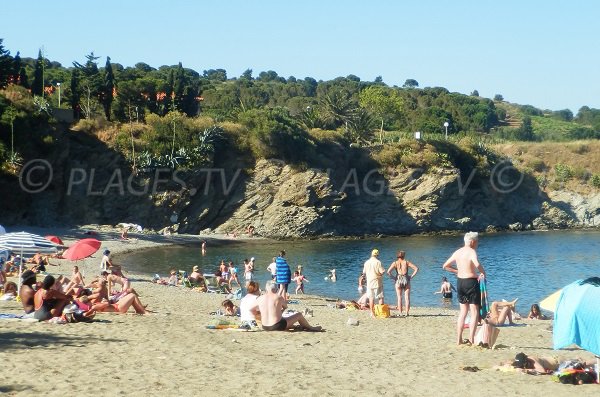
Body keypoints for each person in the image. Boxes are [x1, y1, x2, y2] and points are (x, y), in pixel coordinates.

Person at [442, 231, 487, 345]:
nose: (477, 244)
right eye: (477, 242)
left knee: (463, 312)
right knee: (474, 311)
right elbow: (476, 263)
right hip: (471, 282)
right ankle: (471, 339)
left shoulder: (458, 252)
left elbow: (445, 266)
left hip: (460, 282)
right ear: (472, 242)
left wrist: (457, 271)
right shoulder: (472, 251)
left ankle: (459, 339)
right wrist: (482, 272)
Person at [249, 280, 322, 332]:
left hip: (264, 326)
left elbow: (251, 309)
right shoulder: (278, 297)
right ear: (275, 289)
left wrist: (258, 316)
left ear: (266, 289)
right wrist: (280, 312)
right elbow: (285, 307)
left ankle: (301, 326)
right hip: (277, 326)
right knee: (299, 315)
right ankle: (311, 328)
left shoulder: (260, 298)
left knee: (283, 319)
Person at [387, 250, 419, 317]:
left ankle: (400, 313)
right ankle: (407, 313)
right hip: (406, 279)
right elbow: (416, 268)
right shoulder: (406, 262)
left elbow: (388, 272)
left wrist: (394, 278)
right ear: (404, 256)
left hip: (398, 279)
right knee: (407, 297)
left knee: (399, 297)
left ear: (398, 256)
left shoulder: (395, 263)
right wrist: (411, 277)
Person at [363, 249, 385, 318]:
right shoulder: (378, 262)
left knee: (371, 298)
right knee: (380, 297)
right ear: (377, 255)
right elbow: (381, 272)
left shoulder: (366, 262)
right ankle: (380, 312)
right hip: (377, 282)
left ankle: (372, 313)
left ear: (371, 254)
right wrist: (383, 271)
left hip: (369, 282)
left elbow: (364, 272)